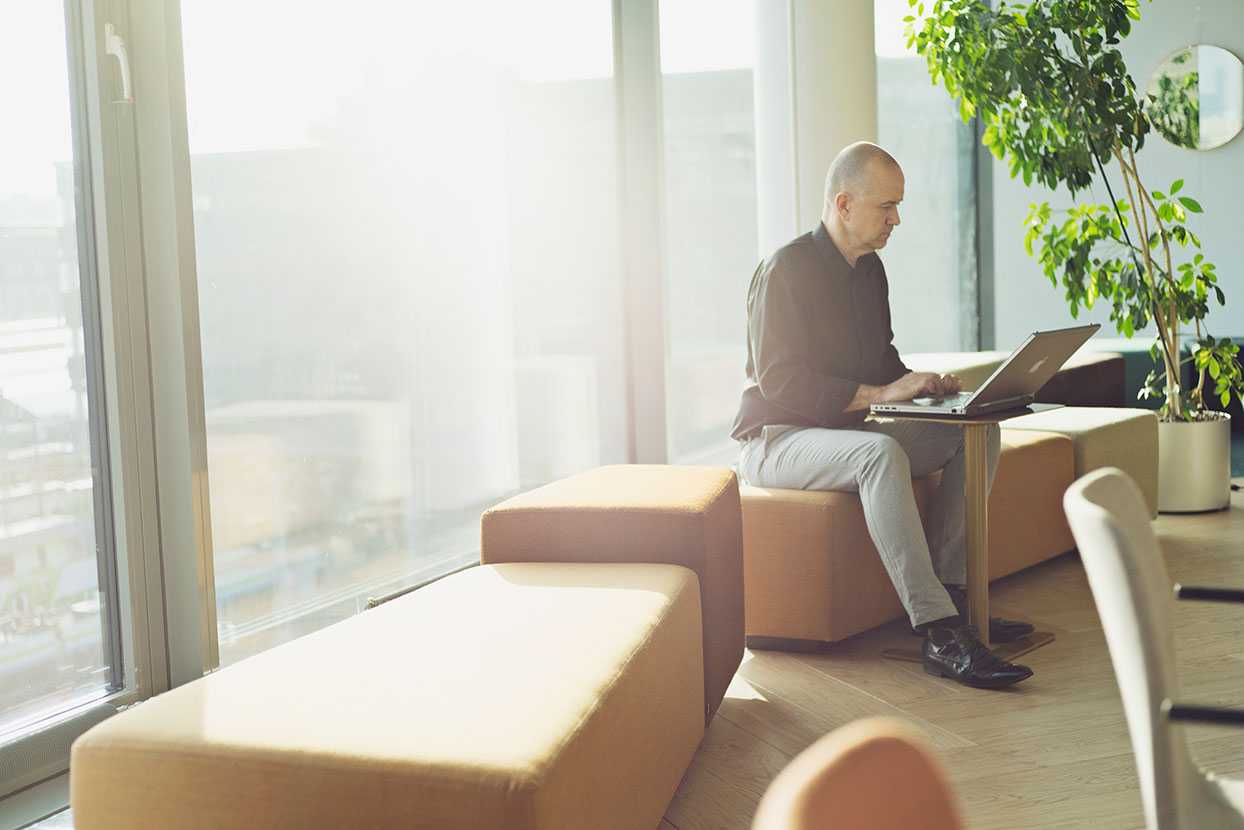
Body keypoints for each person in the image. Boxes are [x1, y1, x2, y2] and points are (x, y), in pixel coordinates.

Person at [731, 141, 1033, 690]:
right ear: (844, 204)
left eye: (898, 205)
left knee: (976, 432)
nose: (897, 219)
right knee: (880, 452)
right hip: (776, 439)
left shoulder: (870, 271)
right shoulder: (783, 271)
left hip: (841, 431)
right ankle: (940, 631)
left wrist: (923, 388)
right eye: (886, 206)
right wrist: (883, 392)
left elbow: (882, 364)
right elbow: (782, 383)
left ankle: (955, 597)